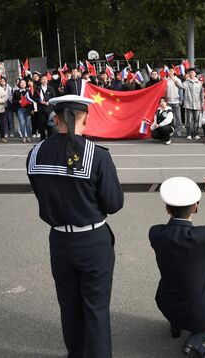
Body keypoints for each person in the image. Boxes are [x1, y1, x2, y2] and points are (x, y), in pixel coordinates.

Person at [27, 95, 124, 358]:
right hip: (92, 239)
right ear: (86, 119)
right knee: (96, 308)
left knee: (69, 305)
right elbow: (114, 203)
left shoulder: (35, 153)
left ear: (55, 119)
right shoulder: (97, 155)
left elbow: (41, 193)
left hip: (59, 240)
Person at [149, 176, 205, 358]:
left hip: (166, 302)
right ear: (196, 206)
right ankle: (194, 342)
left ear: (167, 208)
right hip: (198, 309)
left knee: (176, 298)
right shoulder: (203, 237)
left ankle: (175, 326)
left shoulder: (156, 233)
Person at [33, 74, 56, 141]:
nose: (44, 81)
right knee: (42, 124)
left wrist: (49, 102)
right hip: (41, 108)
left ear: (47, 80)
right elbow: (34, 97)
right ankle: (42, 138)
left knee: (50, 124)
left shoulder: (50, 88)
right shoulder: (38, 88)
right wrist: (40, 101)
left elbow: (54, 97)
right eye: (42, 79)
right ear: (40, 81)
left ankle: (50, 138)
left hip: (49, 109)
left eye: (45, 79)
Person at [183, 68, 203, 140]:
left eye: (192, 73)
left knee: (196, 120)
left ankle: (196, 134)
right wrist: (176, 82)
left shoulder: (199, 83)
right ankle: (188, 134)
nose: (191, 74)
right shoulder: (186, 82)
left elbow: (201, 94)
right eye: (190, 73)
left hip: (197, 104)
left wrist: (202, 104)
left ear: (195, 74)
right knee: (189, 120)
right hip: (189, 104)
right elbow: (181, 86)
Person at [12, 78, 34, 143]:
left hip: (28, 109)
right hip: (20, 109)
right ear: (19, 84)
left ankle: (28, 136)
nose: (22, 84)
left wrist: (32, 109)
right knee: (22, 123)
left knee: (28, 124)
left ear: (26, 84)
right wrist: (18, 101)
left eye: (24, 83)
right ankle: (24, 136)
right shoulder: (16, 92)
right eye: (21, 83)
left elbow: (31, 100)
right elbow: (13, 101)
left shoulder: (28, 91)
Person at [166, 68, 185, 136]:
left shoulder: (178, 80)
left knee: (178, 117)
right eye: (169, 71)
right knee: (170, 117)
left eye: (171, 71)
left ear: (174, 72)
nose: (170, 72)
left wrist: (181, 99)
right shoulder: (166, 80)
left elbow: (181, 90)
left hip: (176, 101)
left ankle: (178, 130)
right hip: (168, 101)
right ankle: (171, 130)